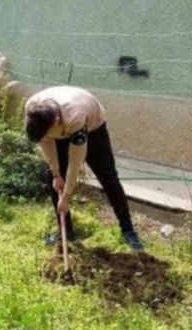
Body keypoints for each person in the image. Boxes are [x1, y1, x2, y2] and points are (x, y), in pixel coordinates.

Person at [23, 86, 144, 251]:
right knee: (53, 180)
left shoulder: (75, 118)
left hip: (93, 129)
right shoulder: (33, 109)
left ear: (55, 122)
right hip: (59, 127)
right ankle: (67, 232)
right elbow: (45, 142)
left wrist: (66, 197)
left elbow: (75, 162)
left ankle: (128, 230)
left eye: (46, 135)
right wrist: (56, 173)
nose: (44, 139)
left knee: (108, 178)